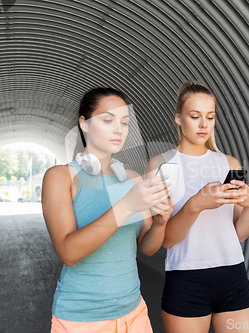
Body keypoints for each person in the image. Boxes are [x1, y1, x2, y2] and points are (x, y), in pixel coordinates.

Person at [42, 87, 174, 333]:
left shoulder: (133, 179)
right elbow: (68, 252)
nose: (118, 129)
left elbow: (147, 248)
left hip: (134, 313)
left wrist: (160, 222)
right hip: (82, 318)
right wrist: (126, 206)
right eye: (107, 120)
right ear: (84, 124)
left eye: (124, 122)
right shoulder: (61, 177)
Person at [147, 82, 249, 333]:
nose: (203, 124)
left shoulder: (229, 163)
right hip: (186, 279)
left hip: (233, 276)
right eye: (195, 116)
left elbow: (238, 234)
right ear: (178, 118)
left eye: (210, 117)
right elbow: (165, 240)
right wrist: (195, 205)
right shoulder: (161, 164)